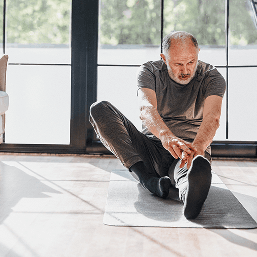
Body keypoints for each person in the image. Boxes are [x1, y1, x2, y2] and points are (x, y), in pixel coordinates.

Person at [89, 31, 226, 219]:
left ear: (198, 53)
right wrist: (166, 137)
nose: (185, 70)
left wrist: (198, 148)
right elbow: (146, 108)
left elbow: (213, 117)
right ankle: (147, 179)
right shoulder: (149, 71)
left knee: (188, 172)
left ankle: (187, 193)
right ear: (163, 58)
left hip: (189, 151)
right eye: (178, 64)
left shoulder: (212, 76)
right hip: (152, 147)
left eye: (191, 62)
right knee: (100, 109)